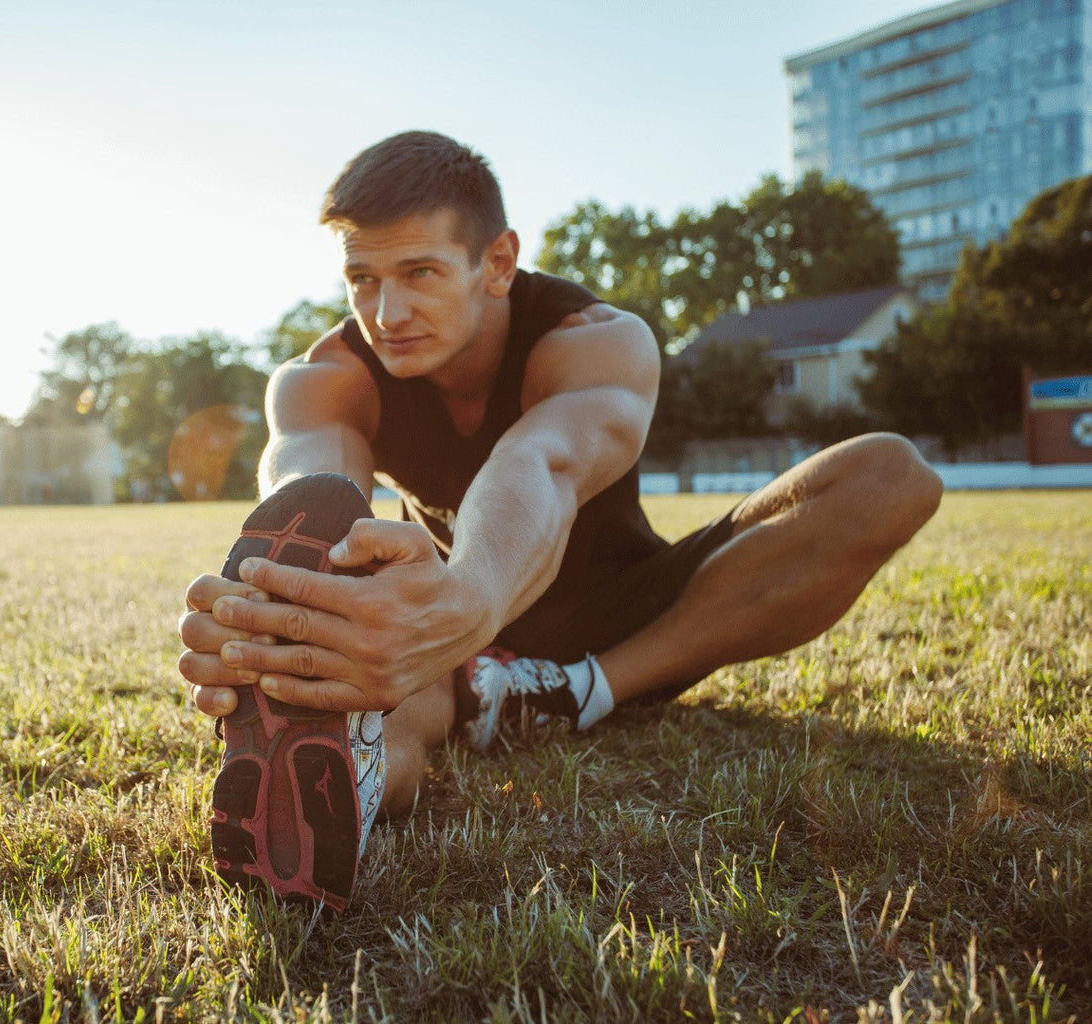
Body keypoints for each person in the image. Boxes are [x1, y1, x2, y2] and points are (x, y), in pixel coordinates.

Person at [178, 130, 943, 911]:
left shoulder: (595, 341)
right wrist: (284, 610)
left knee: (889, 474)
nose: (388, 311)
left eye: (420, 273)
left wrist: (472, 597)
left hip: (620, 615)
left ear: (498, 263)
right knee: (371, 689)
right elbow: (316, 491)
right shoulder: (324, 379)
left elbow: (543, 463)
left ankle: (581, 692)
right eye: (362, 280)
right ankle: (354, 783)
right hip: (440, 643)